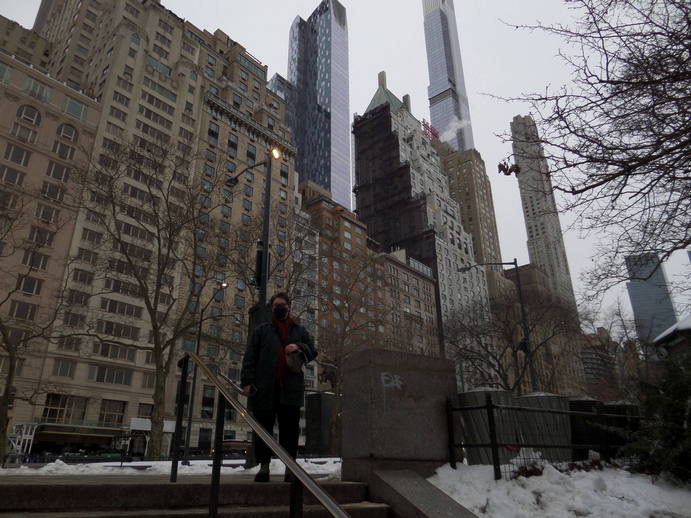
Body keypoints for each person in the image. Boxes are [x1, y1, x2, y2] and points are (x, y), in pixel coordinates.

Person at [240, 292, 317, 482]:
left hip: (290, 390)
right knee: (263, 431)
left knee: (289, 432)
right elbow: (250, 356)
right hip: (264, 388)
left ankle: (290, 469)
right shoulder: (262, 330)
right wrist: (247, 382)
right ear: (272, 308)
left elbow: (313, 350)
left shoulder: (299, 330)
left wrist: (298, 347)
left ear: (289, 307)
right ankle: (264, 467)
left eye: (282, 304)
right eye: (275, 305)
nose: (279, 308)